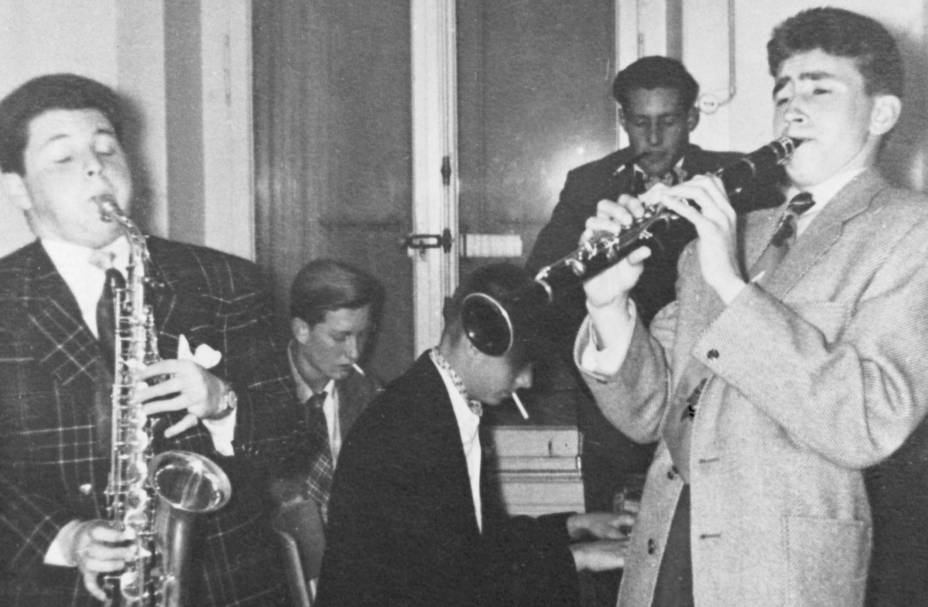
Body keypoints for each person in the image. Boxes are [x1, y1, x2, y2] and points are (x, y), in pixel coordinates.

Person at [575, 7, 928, 607]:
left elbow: (870, 420)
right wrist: (608, 308)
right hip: (667, 560)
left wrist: (731, 285)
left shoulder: (909, 231)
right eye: (783, 92)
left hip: (780, 576)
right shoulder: (735, 233)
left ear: (881, 113)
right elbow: (654, 413)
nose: (792, 108)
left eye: (819, 90)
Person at [0, 73, 305, 606]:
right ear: (18, 188)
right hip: (57, 591)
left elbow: (292, 443)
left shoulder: (226, 281)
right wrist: (67, 537)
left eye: (105, 148)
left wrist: (222, 403)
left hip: (226, 586)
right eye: (63, 158)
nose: (95, 165)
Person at [315, 262, 632, 607]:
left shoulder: (437, 403)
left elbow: (477, 541)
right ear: (475, 344)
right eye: (521, 362)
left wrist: (573, 525)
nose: (527, 380)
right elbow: (458, 583)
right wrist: (579, 558)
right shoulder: (409, 430)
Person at [526, 56, 747, 522]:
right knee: (605, 525)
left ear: (691, 118)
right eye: (640, 122)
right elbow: (544, 277)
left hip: (704, 383)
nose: (652, 138)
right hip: (613, 387)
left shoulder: (736, 178)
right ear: (622, 119)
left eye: (667, 121)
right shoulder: (588, 184)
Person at [276, 258, 384, 522]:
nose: (355, 352)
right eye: (340, 337)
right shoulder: (259, 389)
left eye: (362, 335)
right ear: (302, 330)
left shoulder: (373, 397)